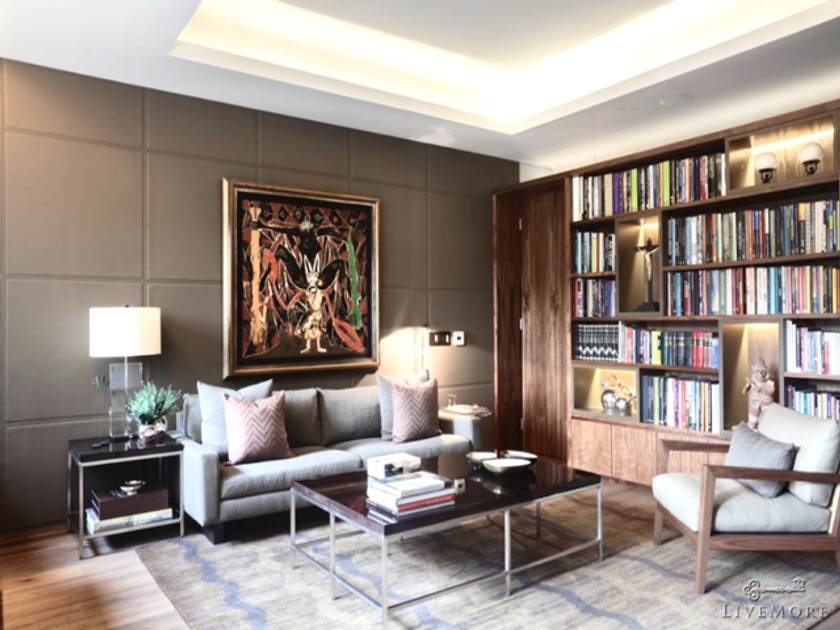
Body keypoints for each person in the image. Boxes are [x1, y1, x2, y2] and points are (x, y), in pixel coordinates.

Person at [742, 358, 775, 429]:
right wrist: (747, 386)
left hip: (766, 404)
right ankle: (744, 430)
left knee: (763, 423)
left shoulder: (770, 383)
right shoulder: (752, 382)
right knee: (752, 424)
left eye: (762, 371)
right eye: (758, 370)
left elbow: (770, 393)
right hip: (754, 404)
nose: (761, 373)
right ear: (754, 371)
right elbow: (744, 392)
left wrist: (759, 389)